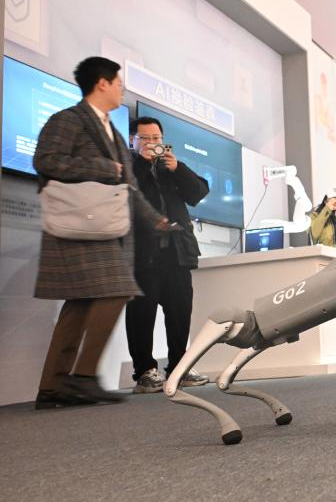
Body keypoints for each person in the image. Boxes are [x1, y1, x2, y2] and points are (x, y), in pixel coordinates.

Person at [33, 57, 169, 408]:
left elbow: (129, 187)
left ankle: (52, 387)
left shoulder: (113, 131)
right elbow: (46, 161)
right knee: (117, 290)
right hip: (78, 225)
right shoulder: (67, 119)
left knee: (80, 303)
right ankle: (83, 378)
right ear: (102, 83)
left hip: (103, 227)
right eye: (119, 83)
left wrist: (154, 219)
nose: (122, 89)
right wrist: (102, 167)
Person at [125, 116, 211, 393]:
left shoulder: (171, 167)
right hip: (143, 254)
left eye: (157, 138)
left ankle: (178, 367)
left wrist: (177, 168)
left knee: (180, 312)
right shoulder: (126, 167)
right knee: (141, 314)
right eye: (145, 138)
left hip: (177, 253)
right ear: (132, 140)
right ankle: (144, 371)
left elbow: (198, 193)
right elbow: (126, 196)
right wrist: (142, 163)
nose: (152, 143)